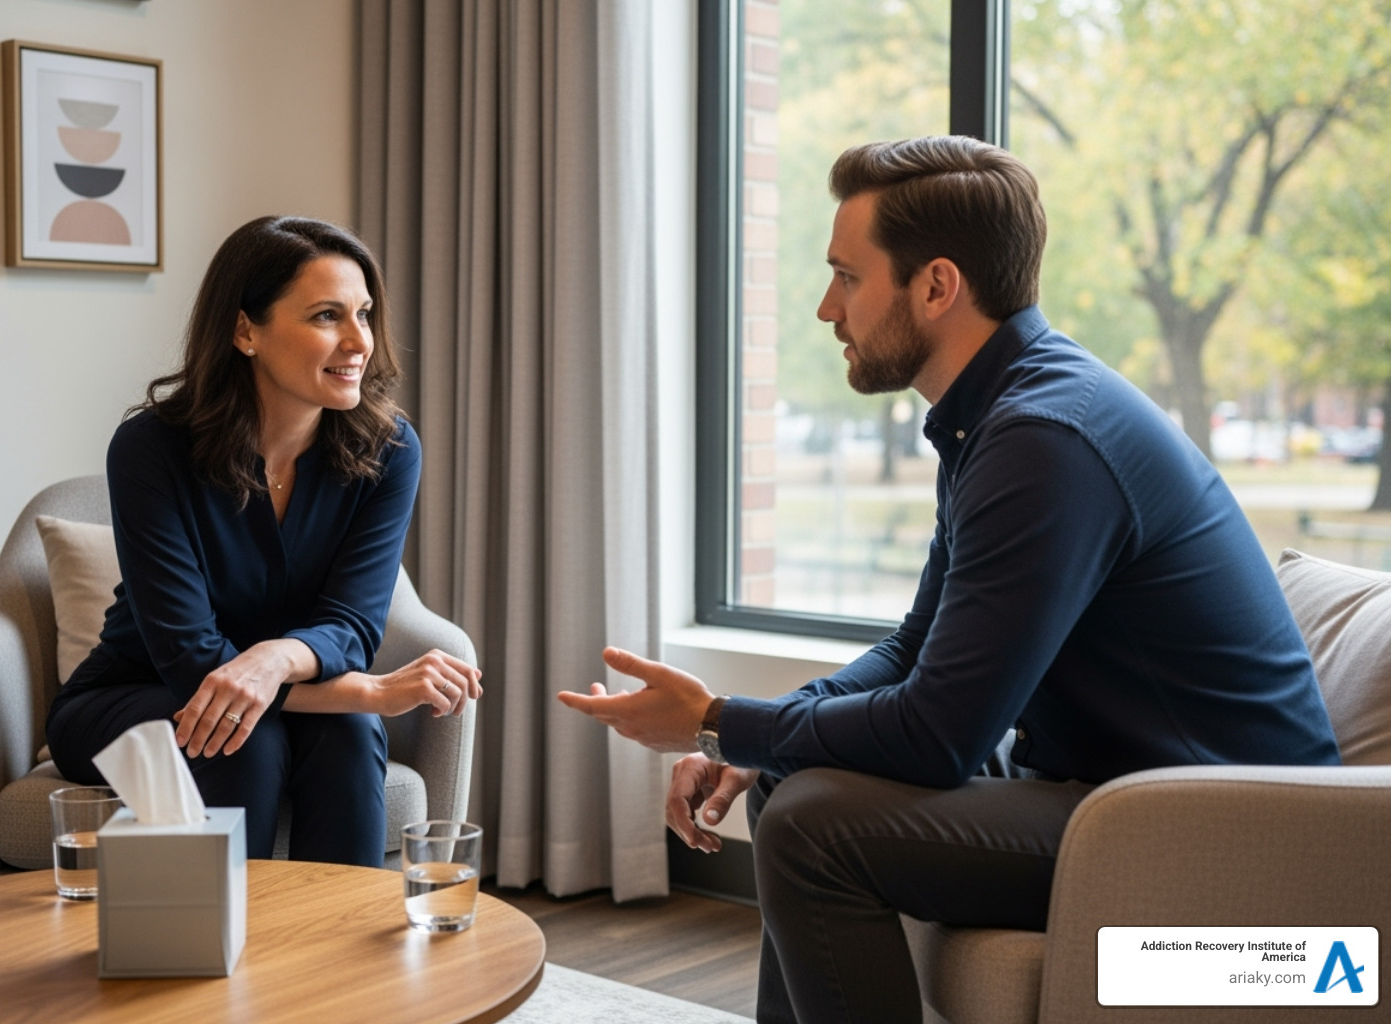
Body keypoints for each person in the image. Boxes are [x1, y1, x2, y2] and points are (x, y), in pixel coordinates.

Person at [557, 137, 1340, 1023]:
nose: (826, 308)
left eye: (848, 278)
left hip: (1226, 841)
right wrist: (751, 740)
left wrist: (716, 722)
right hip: (1124, 796)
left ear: (936, 286)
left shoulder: (1045, 439)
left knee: (817, 827)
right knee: (788, 779)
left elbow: (939, 737)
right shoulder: (994, 418)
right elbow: (914, 647)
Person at [48, 216, 482, 867]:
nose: (359, 340)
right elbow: (189, 657)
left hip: (280, 697)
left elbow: (353, 626)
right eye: (327, 316)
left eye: (364, 313)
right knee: (247, 736)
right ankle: (216, 953)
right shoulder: (150, 449)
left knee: (345, 732)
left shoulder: (389, 452)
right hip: (132, 697)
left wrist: (277, 658)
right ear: (246, 329)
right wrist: (368, 691)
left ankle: (338, 953)